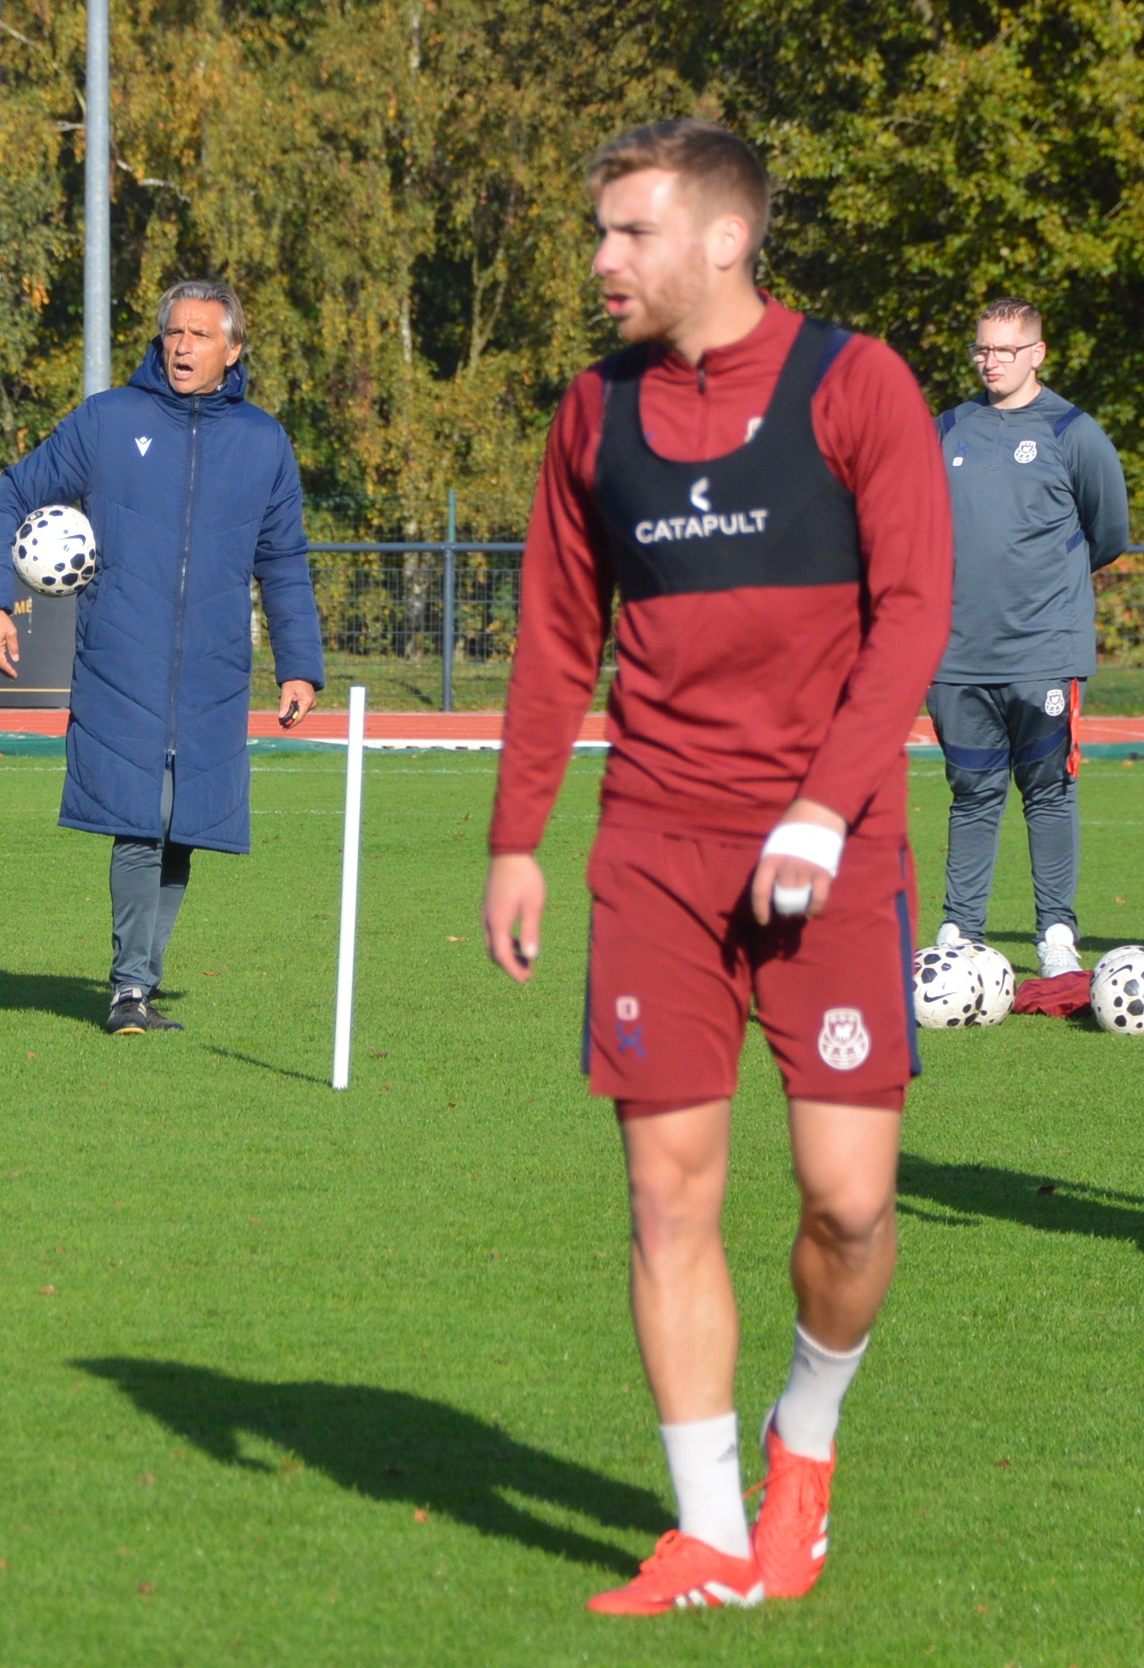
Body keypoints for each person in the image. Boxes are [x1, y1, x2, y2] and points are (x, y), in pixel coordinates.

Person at [481, 121, 951, 1614]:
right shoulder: (592, 413)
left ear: (726, 238)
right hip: (654, 850)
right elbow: (558, 636)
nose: (602, 260)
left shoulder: (855, 384)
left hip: (835, 849)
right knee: (666, 1195)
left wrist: (821, 807)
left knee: (848, 1204)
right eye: (600, 232)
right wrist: (516, 837)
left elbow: (914, 609)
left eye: (630, 231)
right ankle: (708, 1533)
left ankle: (803, 1430)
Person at [0, 279, 325, 1034]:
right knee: (140, 815)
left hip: (215, 669)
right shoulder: (108, 419)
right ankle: (128, 988)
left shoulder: (264, 441)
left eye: (200, 334)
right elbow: (10, 497)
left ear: (233, 349)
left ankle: (139, 983)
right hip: (119, 657)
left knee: (184, 822)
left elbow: (284, 560)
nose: (183, 346)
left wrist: (299, 664)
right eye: (174, 332)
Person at [927, 297, 1128, 977]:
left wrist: (1046, 589)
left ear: (1037, 353)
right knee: (972, 791)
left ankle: (1057, 936)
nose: (991, 362)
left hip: (1043, 650)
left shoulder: (1074, 432)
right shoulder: (947, 429)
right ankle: (960, 931)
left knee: (1047, 789)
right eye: (982, 349)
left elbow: (1109, 533)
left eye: (1006, 350)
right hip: (957, 654)